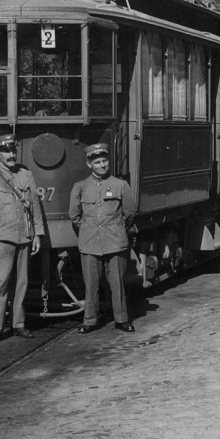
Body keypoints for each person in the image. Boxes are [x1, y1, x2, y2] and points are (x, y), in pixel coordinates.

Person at [0, 133, 44, 346]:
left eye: (13, 150)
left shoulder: (26, 175)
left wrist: (37, 235)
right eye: (6, 151)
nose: (11, 154)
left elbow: (35, 207)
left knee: (21, 284)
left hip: (24, 237)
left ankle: (19, 325)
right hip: (1, 239)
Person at [69, 143, 137, 334]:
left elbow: (130, 212)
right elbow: (74, 215)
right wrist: (88, 229)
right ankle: (90, 320)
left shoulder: (121, 185)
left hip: (115, 241)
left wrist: (117, 229)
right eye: (97, 162)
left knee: (118, 283)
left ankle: (122, 319)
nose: (102, 165)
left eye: (105, 161)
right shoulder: (80, 186)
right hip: (90, 242)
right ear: (89, 164)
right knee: (91, 285)